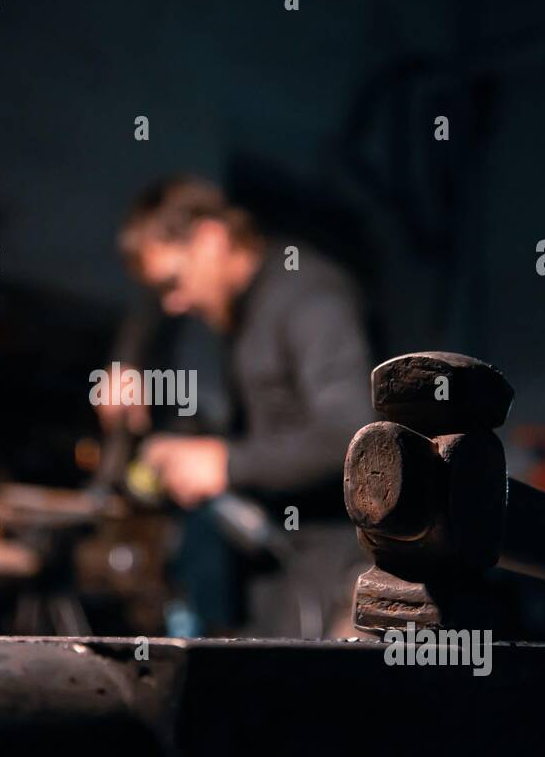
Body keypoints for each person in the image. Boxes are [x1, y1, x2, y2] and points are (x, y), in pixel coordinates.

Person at [98, 175, 375, 636]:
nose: (175, 303)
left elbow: (350, 435)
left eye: (174, 282)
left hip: (338, 571)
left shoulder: (309, 297)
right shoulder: (243, 311)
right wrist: (129, 367)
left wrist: (226, 463)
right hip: (283, 570)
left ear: (211, 239)